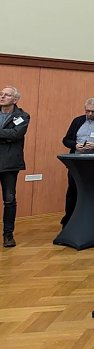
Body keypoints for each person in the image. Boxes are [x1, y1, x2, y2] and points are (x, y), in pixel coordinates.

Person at [60, 98, 94, 226]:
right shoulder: (77, 121)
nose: (90, 114)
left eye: (93, 112)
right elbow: (66, 140)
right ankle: (69, 219)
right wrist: (75, 145)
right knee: (73, 190)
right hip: (76, 163)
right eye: (88, 111)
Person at [0, 86, 29, 247]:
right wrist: (7, 135)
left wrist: (9, 135)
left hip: (10, 164)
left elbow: (17, 134)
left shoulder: (22, 116)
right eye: (1, 94)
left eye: (7, 95)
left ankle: (8, 235)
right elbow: (10, 135)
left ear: (15, 100)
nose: (2, 97)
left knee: (9, 200)